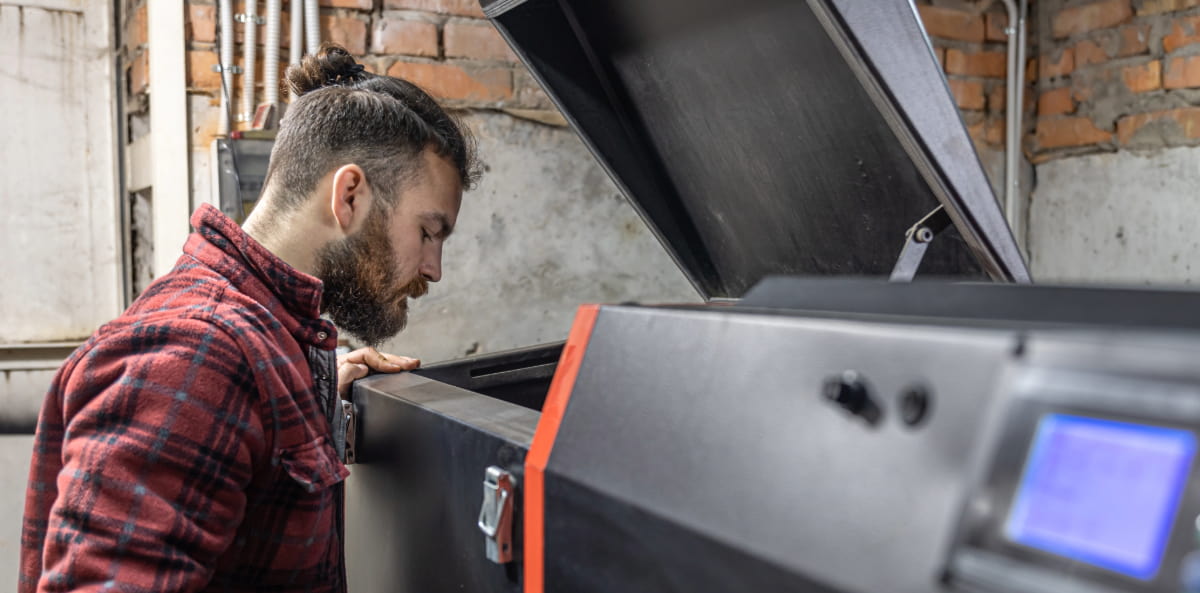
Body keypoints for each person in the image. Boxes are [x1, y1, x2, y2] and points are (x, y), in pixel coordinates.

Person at [19, 44, 478, 593]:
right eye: (428, 232)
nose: (434, 269)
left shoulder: (260, 344)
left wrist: (316, 384)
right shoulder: (196, 357)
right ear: (350, 195)